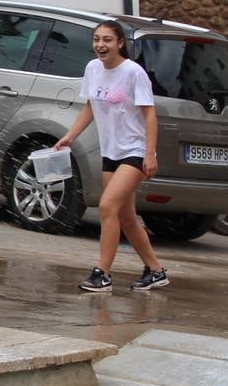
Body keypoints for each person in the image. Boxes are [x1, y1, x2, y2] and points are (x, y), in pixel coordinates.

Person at [55, 19, 168, 293]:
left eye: (107, 40)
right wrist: (71, 135)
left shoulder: (133, 72)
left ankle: (102, 274)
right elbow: (91, 106)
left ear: (120, 43)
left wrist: (150, 154)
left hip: (135, 151)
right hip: (111, 152)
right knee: (126, 217)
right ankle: (156, 271)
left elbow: (150, 116)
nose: (100, 45)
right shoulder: (93, 69)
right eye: (97, 39)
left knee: (107, 207)